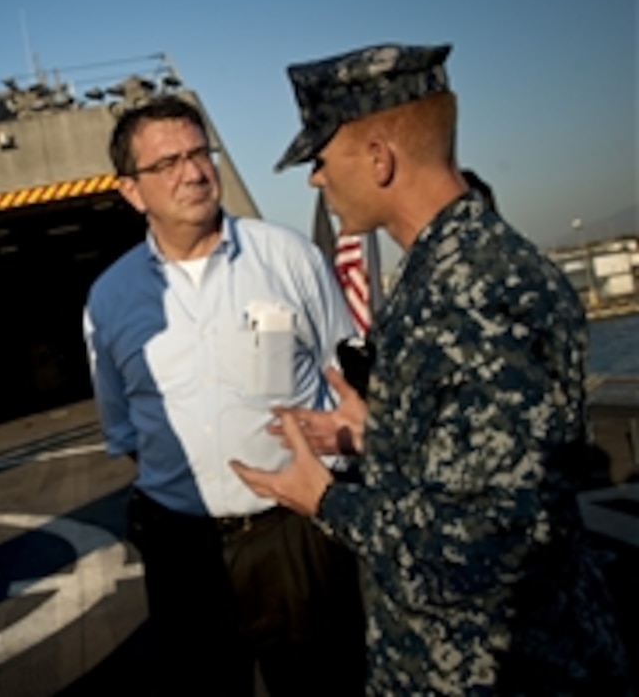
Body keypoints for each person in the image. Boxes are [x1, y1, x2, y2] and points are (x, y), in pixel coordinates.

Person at [232, 43, 632, 693]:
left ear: (379, 158)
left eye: (321, 159)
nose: (314, 180)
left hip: (498, 670)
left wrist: (325, 499)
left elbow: (477, 547)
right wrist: (378, 433)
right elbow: (481, 461)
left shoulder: (471, 299)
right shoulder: (453, 274)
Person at [83, 95, 365, 695]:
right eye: (167, 164)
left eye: (199, 153)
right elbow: (126, 430)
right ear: (131, 191)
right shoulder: (108, 300)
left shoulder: (287, 256)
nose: (193, 172)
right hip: (182, 554)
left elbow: (344, 378)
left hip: (296, 535)